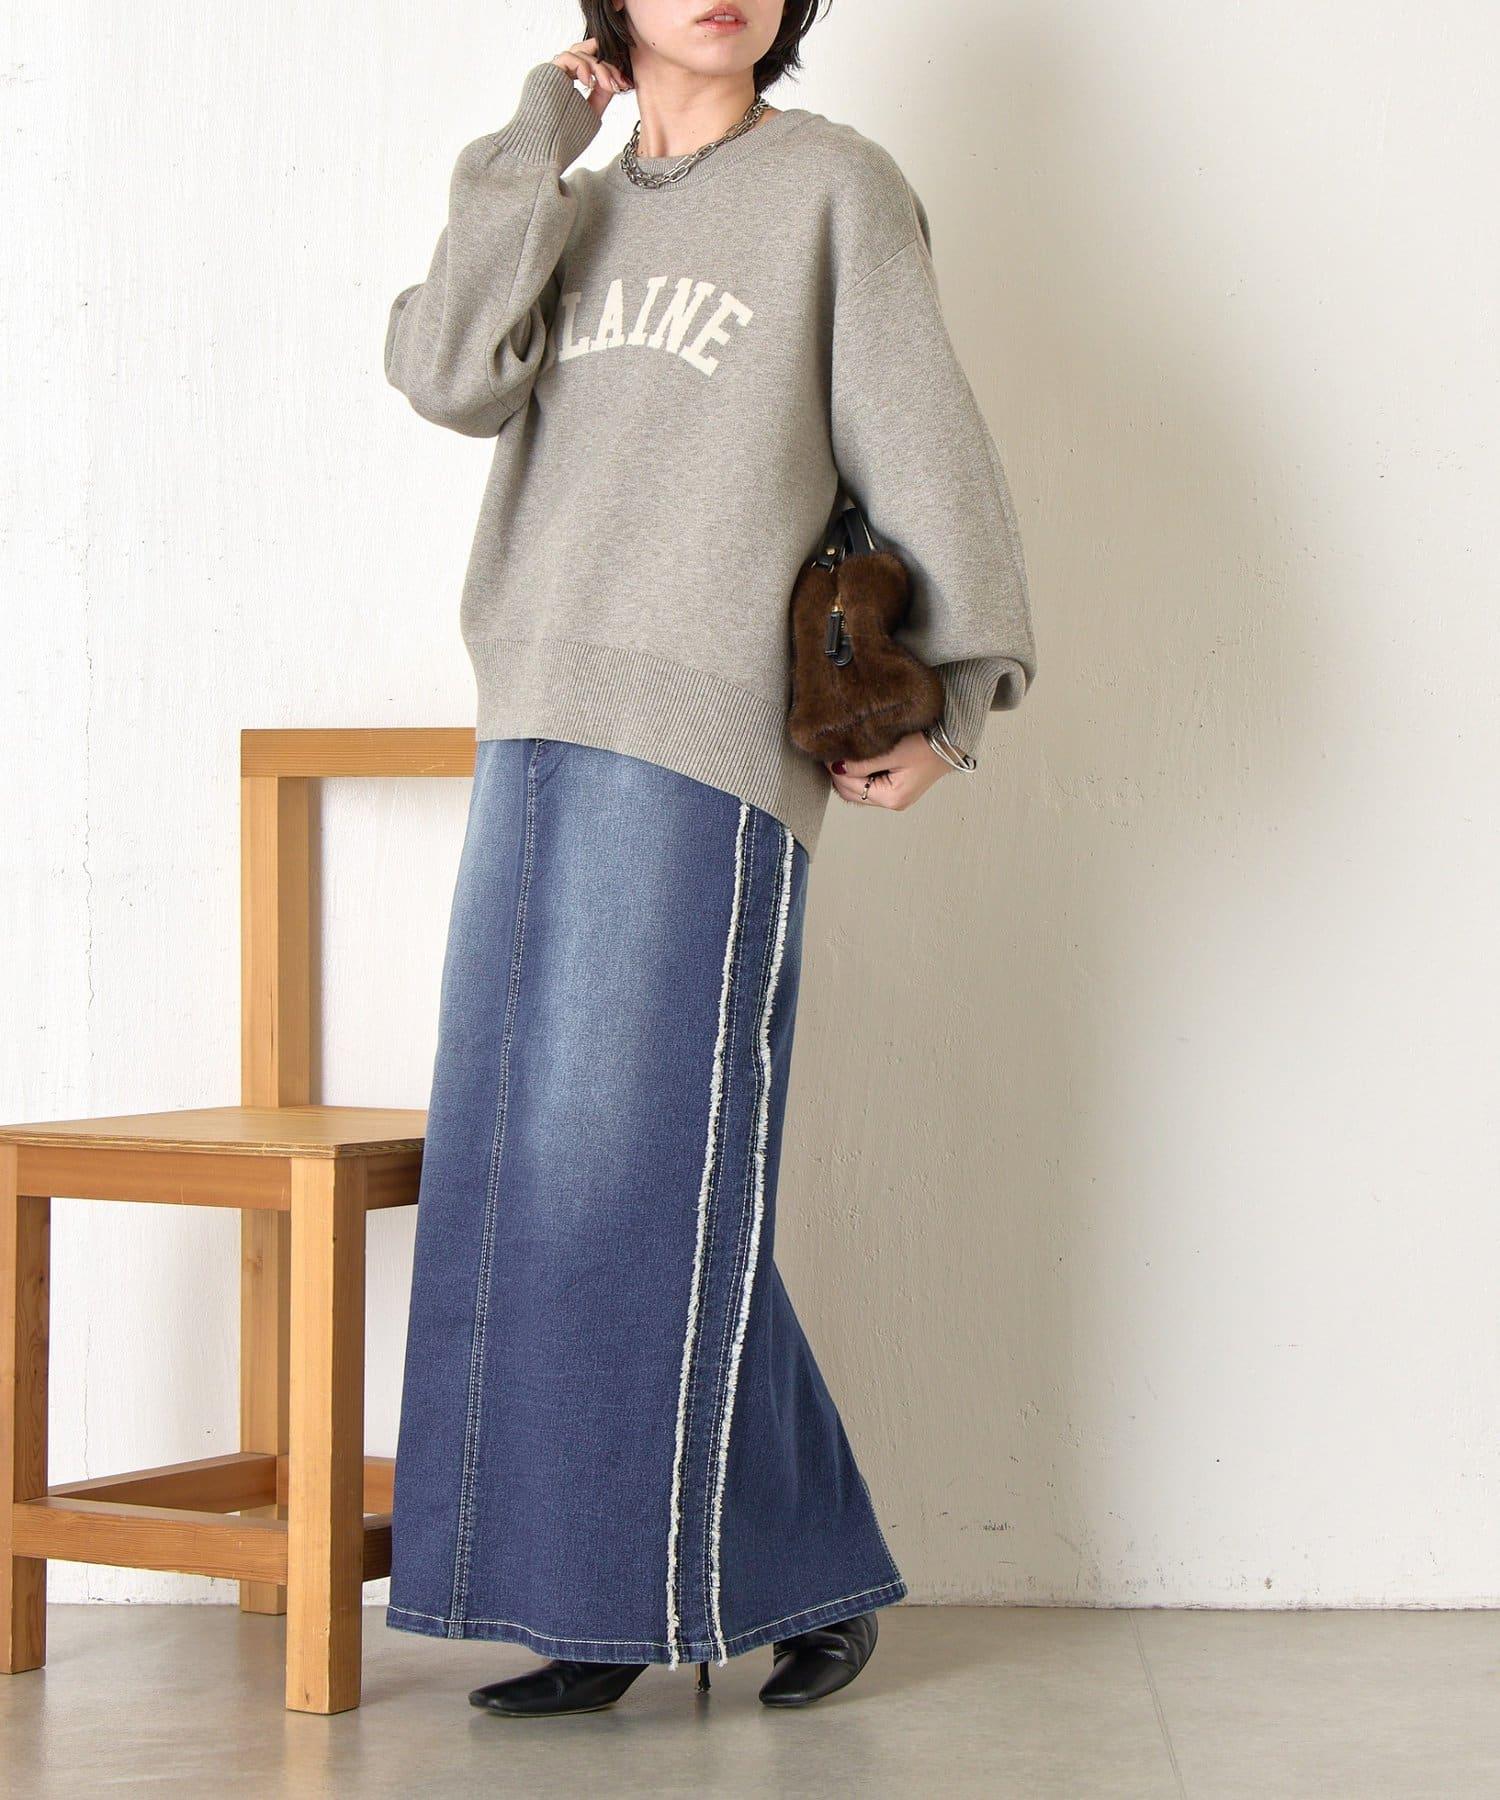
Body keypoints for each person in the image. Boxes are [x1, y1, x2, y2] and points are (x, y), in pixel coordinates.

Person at [381, 0, 1036, 1719]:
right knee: (547, 1178)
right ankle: (654, 1592)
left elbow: (925, 438)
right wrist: (538, 136)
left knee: (638, 1172)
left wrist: (960, 697)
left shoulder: (833, 187)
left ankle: (685, 1592)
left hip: (705, 740)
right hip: (534, 711)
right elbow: (447, 373)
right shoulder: (563, 204)